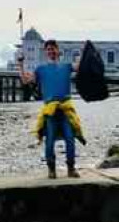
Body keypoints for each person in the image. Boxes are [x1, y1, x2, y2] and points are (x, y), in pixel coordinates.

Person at [19, 39, 85, 179]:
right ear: (45, 52)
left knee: (70, 138)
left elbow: (79, 67)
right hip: (50, 110)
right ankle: (51, 169)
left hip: (66, 108)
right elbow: (25, 80)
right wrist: (20, 64)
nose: (51, 51)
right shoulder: (40, 69)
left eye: (53, 48)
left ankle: (71, 168)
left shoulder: (66, 66)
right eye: (48, 49)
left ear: (58, 50)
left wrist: (83, 52)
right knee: (49, 141)